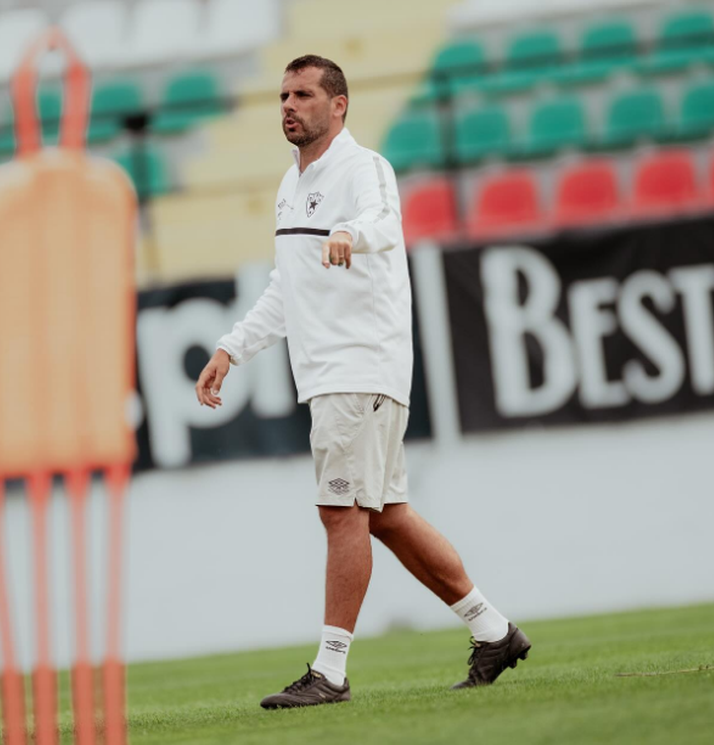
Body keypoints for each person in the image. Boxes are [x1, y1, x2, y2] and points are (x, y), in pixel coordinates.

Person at [195, 55, 531, 709]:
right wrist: (232, 348)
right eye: (283, 95)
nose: (289, 105)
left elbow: (383, 224)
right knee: (385, 515)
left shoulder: (363, 168)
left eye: (304, 94)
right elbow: (285, 289)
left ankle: (331, 671)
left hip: (360, 364)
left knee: (339, 511)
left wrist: (349, 230)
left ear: (338, 105)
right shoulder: (290, 187)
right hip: (330, 371)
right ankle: (494, 632)